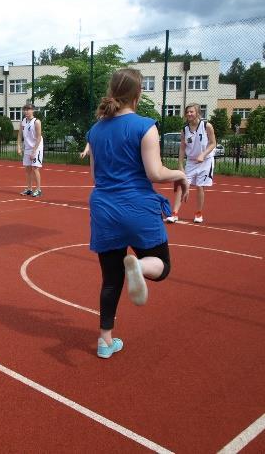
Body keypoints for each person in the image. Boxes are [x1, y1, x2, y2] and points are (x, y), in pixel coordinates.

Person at [86, 68, 189, 359]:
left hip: (104, 208)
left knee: (111, 279)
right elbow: (155, 173)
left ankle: (105, 342)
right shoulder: (145, 126)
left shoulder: (95, 130)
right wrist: (180, 174)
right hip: (137, 207)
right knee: (163, 266)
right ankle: (141, 268)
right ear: (139, 93)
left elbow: (96, 175)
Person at [165, 103, 216, 224]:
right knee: (182, 185)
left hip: (206, 161)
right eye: (187, 112)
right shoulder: (185, 129)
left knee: (199, 186)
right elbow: (182, 147)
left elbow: (213, 143)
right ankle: (174, 214)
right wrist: (180, 165)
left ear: (198, 113)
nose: (189, 114)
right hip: (191, 162)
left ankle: (198, 213)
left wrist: (203, 154)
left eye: (191, 112)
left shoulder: (206, 126)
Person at [17, 104, 43, 197]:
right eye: (25, 110)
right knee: (27, 169)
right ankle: (29, 189)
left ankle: (38, 189)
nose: (26, 112)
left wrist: (34, 151)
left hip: (37, 147)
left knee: (35, 168)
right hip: (27, 147)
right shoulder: (23, 121)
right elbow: (20, 135)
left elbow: (39, 137)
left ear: (33, 111)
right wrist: (19, 147)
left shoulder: (37, 122)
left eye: (28, 110)